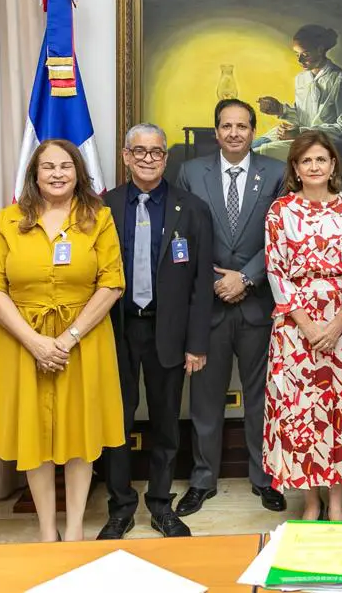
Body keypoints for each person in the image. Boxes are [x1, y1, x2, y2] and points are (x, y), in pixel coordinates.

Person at [0, 139, 125, 542]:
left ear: (79, 173)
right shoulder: (7, 220)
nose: (57, 174)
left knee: (79, 434)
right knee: (33, 434)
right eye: (48, 167)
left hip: (84, 340)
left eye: (66, 166)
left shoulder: (99, 218)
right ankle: (46, 530)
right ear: (34, 175)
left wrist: (67, 339)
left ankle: (73, 529)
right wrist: (36, 342)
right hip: (22, 340)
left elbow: (111, 284)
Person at [98, 125, 215, 539]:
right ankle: (120, 506)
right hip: (117, 332)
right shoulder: (103, 207)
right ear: (126, 156)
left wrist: (197, 343)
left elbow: (202, 284)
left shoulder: (192, 208)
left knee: (167, 424)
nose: (149, 159)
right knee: (116, 423)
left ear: (166, 159)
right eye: (140, 152)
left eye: (157, 153)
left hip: (169, 333)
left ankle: (161, 505)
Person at [174, 100, 287, 518]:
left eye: (243, 126)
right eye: (227, 126)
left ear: (254, 130)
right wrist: (215, 281)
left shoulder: (275, 173)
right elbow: (183, 235)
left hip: (258, 303)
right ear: (216, 131)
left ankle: (264, 478)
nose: (235, 132)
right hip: (210, 304)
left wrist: (246, 278)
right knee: (205, 398)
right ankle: (203, 479)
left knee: (262, 396)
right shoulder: (191, 172)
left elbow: (279, 236)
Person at [263, 131, 342, 521]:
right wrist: (307, 325)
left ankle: (338, 504)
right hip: (295, 327)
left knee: (339, 410)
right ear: (295, 167)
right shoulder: (281, 212)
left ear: (332, 166)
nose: (314, 167)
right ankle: (310, 503)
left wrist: (339, 320)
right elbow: (275, 272)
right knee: (300, 414)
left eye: (321, 160)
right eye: (306, 161)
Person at [255, 24, 342, 173]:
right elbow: (303, 117)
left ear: (320, 49)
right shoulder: (302, 79)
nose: (299, 60)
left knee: (259, 154)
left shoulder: (339, 80)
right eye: (296, 54)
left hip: (326, 147)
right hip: (304, 138)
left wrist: (301, 133)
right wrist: (280, 109)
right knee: (254, 145)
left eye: (305, 54)